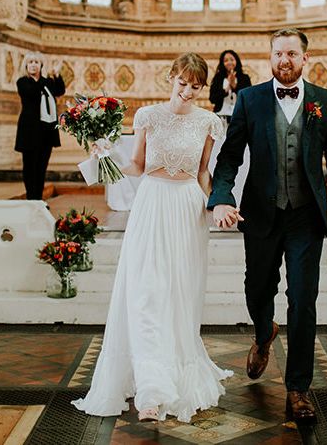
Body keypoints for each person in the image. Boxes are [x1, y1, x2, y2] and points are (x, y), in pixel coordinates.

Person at [73, 52, 232, 423]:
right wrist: (105, 153)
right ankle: (150, 388)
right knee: (146, 292)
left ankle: (175, 372)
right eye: (182, 83)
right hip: (152, 204)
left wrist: (218, 205)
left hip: (188, 210)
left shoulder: (209, 122)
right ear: (170, 77)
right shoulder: (147, 116)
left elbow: (204, 173)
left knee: (180, 293)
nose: (188, 92)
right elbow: (138, 166)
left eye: (196, 86)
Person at [208, 28, 327, 423]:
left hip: (306, 219)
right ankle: (263, 333)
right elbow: (230, 156)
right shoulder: (250, 99)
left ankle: (298, 389)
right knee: (257, 290)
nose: (284, 60)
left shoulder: (326, 102)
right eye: (278, 54)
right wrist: (222, 196)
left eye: (292, 53)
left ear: (305, 58)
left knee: (303, 300)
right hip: (261, 213)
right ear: (269, 57)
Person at [14, 52, 65, 200]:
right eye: (30, 62)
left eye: (36, 62)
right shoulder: (23, 82)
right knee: (30, 168)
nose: (33, 64)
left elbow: (59, 90)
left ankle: (38, 200)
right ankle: (32, 199)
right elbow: (32, 93)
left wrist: (56, 74)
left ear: (41, 65)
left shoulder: (47, 82)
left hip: (46, 132)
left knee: (41, 168)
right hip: (29, 132)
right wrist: (43, 79)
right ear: (26, 65)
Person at [208, 49, 252, 123]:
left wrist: (234, 86)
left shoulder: (244, 78)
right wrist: (226, 89)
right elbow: (212, 99)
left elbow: (248, 98)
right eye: (226, 60)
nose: (229, 62)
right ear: (222, 63)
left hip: (239, 118)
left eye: (232, 59)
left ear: (236, 61)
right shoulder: (218, 78)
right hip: (221, 117)